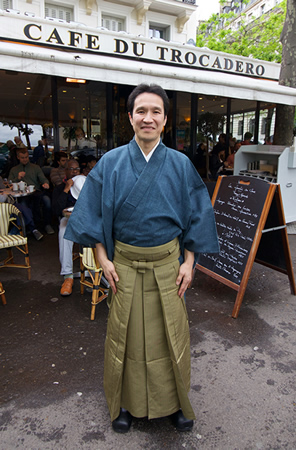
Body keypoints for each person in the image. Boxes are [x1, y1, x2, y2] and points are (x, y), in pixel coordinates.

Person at [65, 83, 219, 433]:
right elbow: (93, 217)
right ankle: (124, 403)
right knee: (125, 338)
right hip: (124, 266)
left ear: (165, 120)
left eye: (156, 112)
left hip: (168, 265)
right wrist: (103, 260)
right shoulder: (111, 163)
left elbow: (197, 215)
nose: (148, 118)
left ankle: (177, 402)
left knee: (172, 336)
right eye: (141, 111)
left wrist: (189, 262)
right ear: (130, 117)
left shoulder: (180, 164)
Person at [52, 159, 83, 296]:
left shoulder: (84, 184)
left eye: (77, 169)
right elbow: (56, 210)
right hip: (69, 219)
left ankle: (99, 269)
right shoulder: (60, 188)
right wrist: (66, 189)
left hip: (86, 219)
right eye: (71, 169)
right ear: (65, 171)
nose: (75, 171)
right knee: (64, 229)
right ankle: (68, 276)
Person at [8, 148, 54, 237]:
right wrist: (17, 178)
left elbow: (43, 178)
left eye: (26, 157)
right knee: (24, 205)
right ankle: (31, 227)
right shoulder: (14, 169)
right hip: (22, 194)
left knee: (47, 200)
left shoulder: (35, 167)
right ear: (18, 157)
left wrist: (46, 183)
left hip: (36, 192)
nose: (25, 159)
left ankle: (47, 224)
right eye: (22, 158)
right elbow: (9, 183)